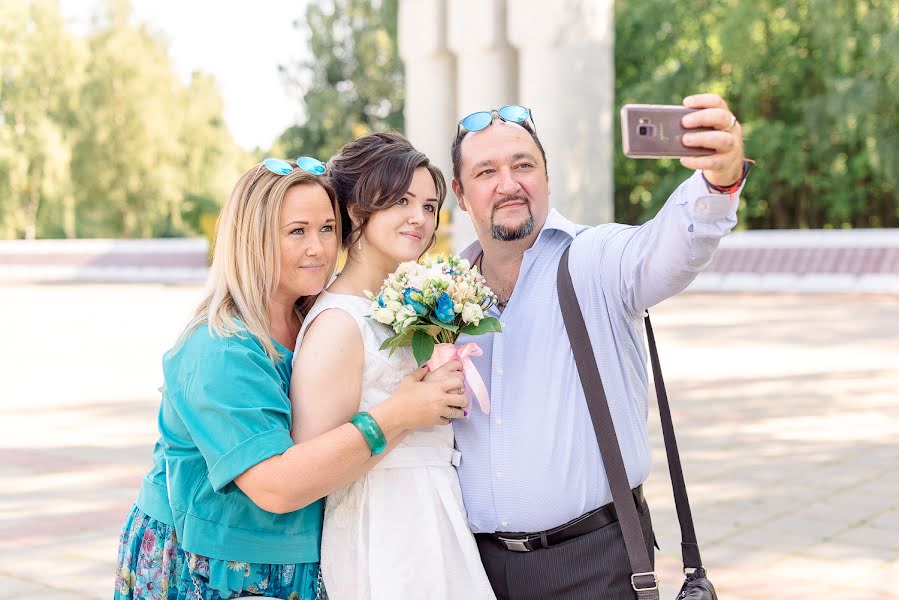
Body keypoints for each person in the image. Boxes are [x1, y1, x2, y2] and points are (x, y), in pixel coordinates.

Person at [114, 157, 467, 600]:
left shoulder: (308, 320)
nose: (319, 248)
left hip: (295, 561)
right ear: (253, 239)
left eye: (326, 228)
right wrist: (397, 415)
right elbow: (276, 486)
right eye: (297, 231)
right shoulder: (219, 348)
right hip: (214, 566)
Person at [449, 95, 747, 599]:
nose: (508, 184)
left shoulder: (593, 259)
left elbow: (669, 249)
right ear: (460, 193)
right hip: (473, 571)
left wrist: (719, 180)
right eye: (486, 172)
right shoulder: (441, 297)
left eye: (524, 165)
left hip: (596, 567)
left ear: (546, 176)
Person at [291, 132, 496, 599]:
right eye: (402, 200)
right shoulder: (340, 322)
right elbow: (312, 469)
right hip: (384, 530)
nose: (420, 218)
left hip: (434, 514)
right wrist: (404, 415)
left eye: (428, 206)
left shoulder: (393, 306)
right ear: (358, 209)